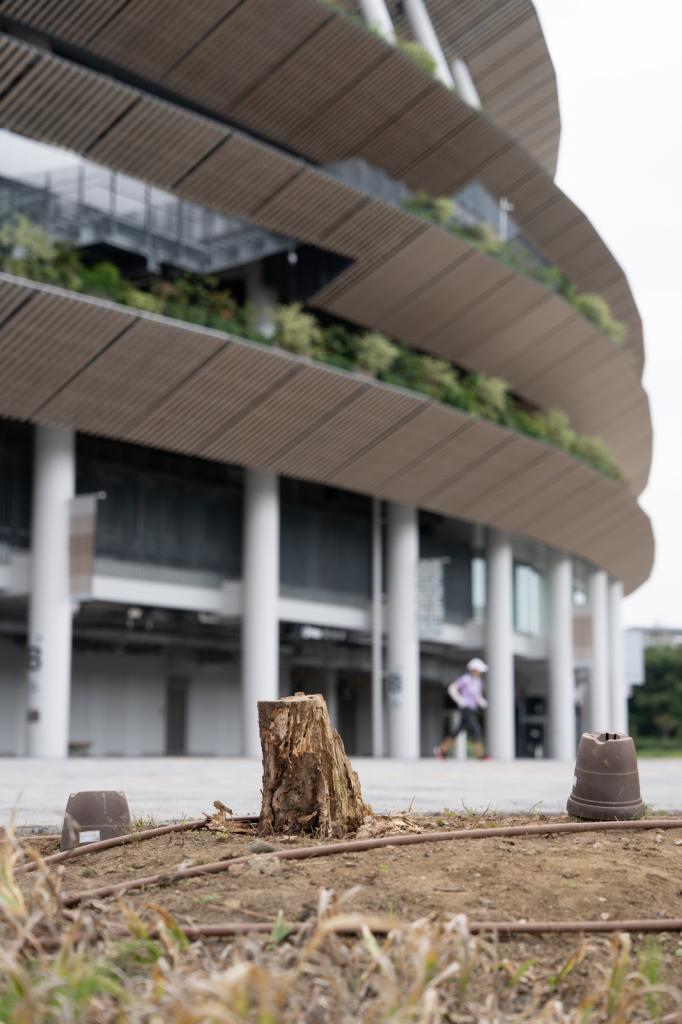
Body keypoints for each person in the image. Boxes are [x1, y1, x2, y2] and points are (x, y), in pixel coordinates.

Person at [434, 657, 489, 760]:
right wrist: (460, 699)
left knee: (456, 731)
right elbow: (452, 688)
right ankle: (480, 754)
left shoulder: (478, 681)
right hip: (465, 709)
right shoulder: (465, 679)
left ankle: (441, 750)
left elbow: (477, 695)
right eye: (479, 671)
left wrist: (481, 701)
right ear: (473, 669)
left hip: (473, 709)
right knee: (476, 729)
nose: (480, 673)